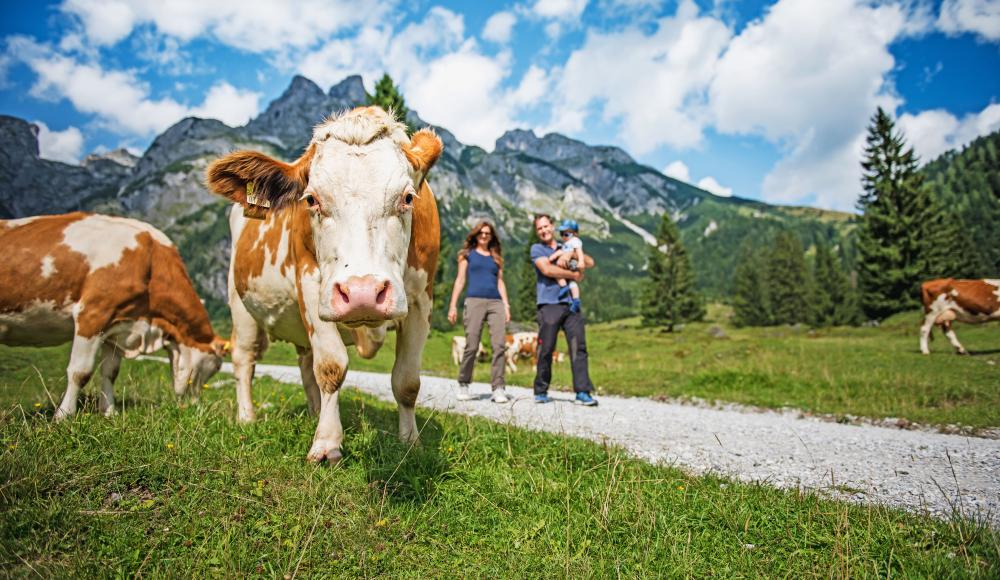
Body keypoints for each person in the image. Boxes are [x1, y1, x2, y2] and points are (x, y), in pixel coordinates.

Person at [529, 214, 598, 406]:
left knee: (579, 347)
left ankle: (583, 392)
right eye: (539, 228)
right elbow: (548, 270)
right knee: (546, 348)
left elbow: (590, 262)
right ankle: (541, 390)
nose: (543, 230)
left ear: (552, 227)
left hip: (571, 304)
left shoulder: (566, 244)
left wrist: (572, 254)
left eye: (546, 226)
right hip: (549, 304)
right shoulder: (537, 249)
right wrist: (574, 275)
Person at [447, 221, 511, 403]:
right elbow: (460, 280)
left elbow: (500, 282)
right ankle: (464, 383)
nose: (484, 236)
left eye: (488, 233)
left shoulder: (496, 257)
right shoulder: (467, 255)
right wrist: (453, 305)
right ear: (475, 235)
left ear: (492, 236)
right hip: (474, 302)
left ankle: (498, 388)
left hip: (496, 303)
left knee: (499, 345)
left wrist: (506, 305)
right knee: (472, 346)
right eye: (481, 233)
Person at [548, 219, 585, 313]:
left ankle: (564, 286)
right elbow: (562, 251)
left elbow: (579, 251)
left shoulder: (575, 241)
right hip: (569, 264)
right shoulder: (566, 244)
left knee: (556, 270)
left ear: (575, 234)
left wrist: (581, 261)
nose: (563, 237)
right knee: (571, 282)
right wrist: (554, 255)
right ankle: (576, 299)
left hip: (573, 263)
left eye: (566, 234)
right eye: (562, 234)